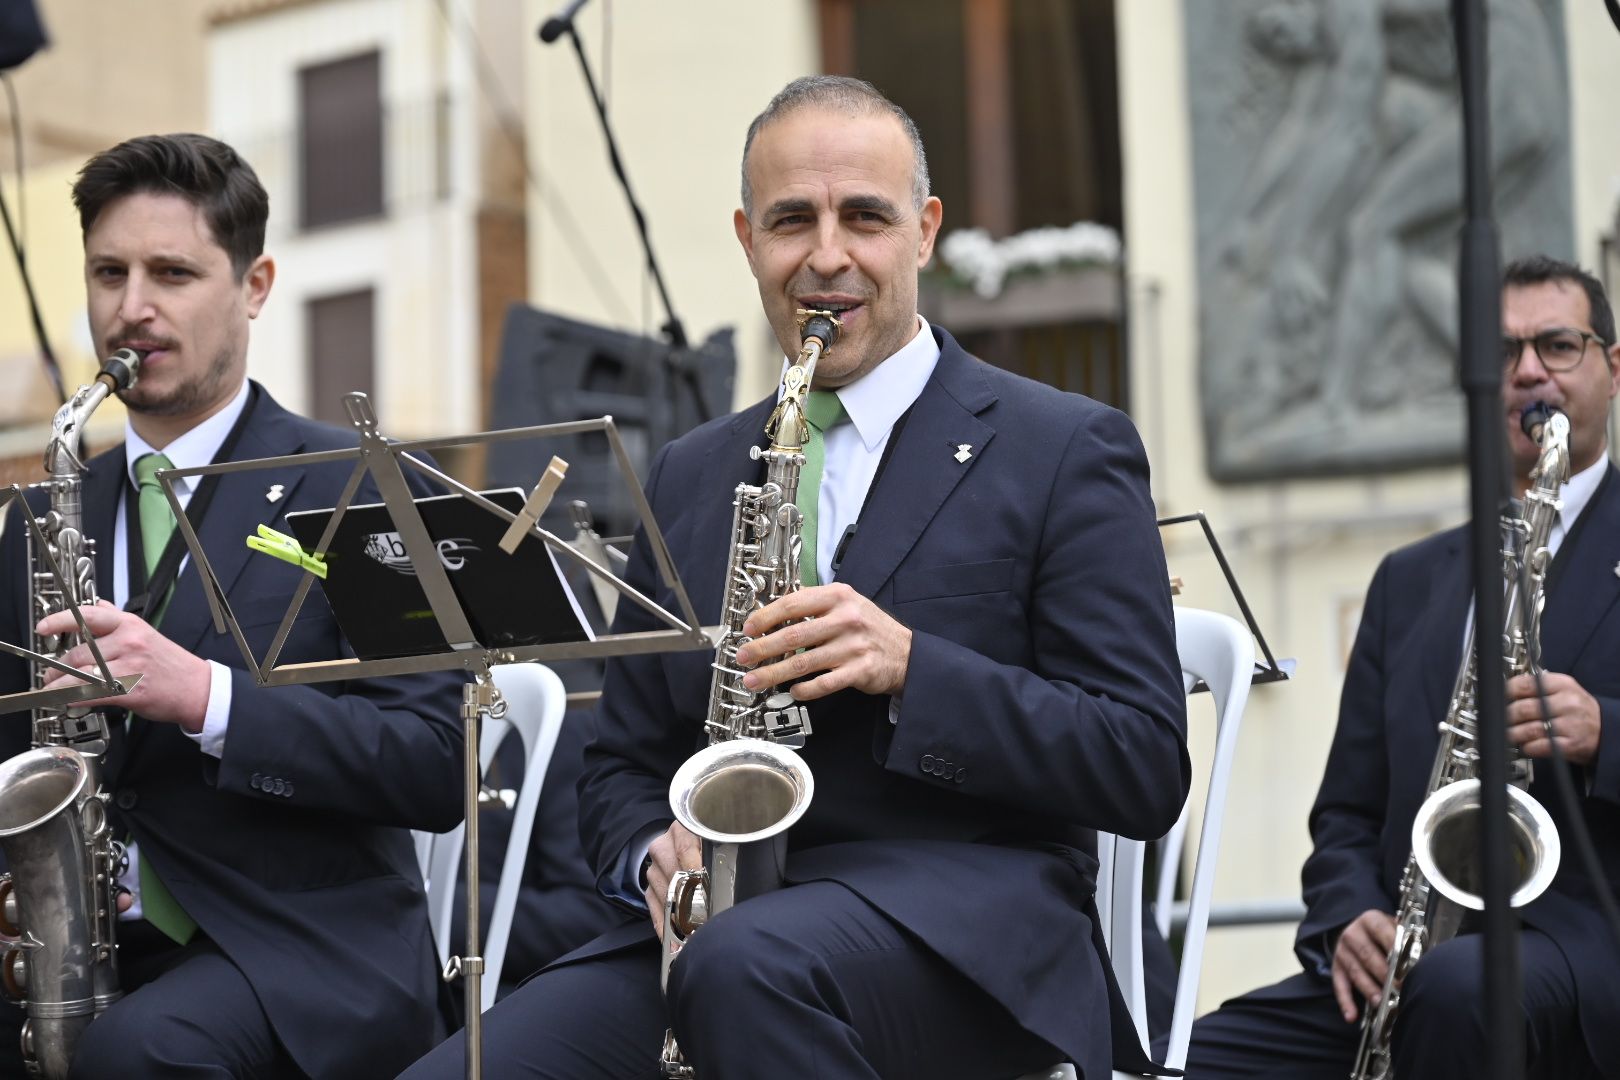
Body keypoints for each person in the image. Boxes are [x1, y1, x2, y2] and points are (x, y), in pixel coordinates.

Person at [402, 74, 1189, 1080]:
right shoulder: (691, 471)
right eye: (791, 222)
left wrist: (911, 666)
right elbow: (622, 761)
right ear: (747, 238)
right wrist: (653, 850)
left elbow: (1142, 761)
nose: (827, 256)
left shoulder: (1066, 446)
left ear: (925, 230)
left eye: (865, 217)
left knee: (748, 971)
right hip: (722, 934)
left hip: (965, 941)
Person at [0, 134, 466, 1078]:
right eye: (109, 272)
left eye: (173, 273)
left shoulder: (366, 482)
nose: (133, 309)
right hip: (79, 945)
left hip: (301, 950)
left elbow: (433, 762)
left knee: (135, 1055)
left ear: (255, 285)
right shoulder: (37, 518)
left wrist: (211, 698)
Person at [1183, 254, 1620, 1079]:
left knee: (1459, 991)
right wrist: (1349, 917)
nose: (1528, 371)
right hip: (1409, 960)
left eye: (1558, 346)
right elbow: (1345, 815)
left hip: (1579, 947)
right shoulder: (1408, 579)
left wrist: (1605, 729)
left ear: (1612, 368)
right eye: (1500, 353)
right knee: (1191, 1060)